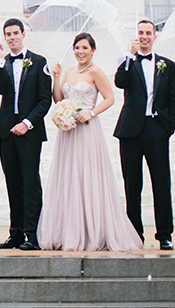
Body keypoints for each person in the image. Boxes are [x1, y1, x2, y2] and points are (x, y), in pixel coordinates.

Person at [38, 33, 143, 251]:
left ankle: (93, 231)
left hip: (86, 128)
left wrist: (91, 113)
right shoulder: (68, 71)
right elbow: (59, 99)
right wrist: (56, 79)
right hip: (68, 131)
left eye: (85, 47)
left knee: (87, 175)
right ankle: (69, 231)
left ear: (92, 50)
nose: (80, 52)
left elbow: (110, 98)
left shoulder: (95, 71)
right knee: (69, 177)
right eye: (77, 47)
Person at [113, 19, 175, 250]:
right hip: (130, 130)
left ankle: (165, 235)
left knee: (161, 183)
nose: (144, 36)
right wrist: (129, 57)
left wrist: (167, 128)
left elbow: (174, 100)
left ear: (154, 36)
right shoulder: (128, 61)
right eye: (140, 32)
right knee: (132, 184)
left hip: (156, 129)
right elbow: (119, 83)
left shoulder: (167, 65)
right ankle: (134, 234)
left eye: (148, 33)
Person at [0, 18, 52, 251]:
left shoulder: (39, 62)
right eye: (8, 34)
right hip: (7, 130)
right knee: (12, 182)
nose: (11, 37)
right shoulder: (3, 62)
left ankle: (32, 235)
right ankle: (15, 233)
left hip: (30, 132)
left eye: (15, 33)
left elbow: (45, 100)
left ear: (23, 34)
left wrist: (27, 123)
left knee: (30, 182)